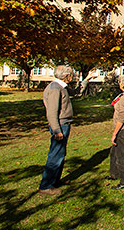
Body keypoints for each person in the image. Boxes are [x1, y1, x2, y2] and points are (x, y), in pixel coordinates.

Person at [39, 65, 94, 196]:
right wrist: (57, 130)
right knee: (55, 155)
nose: (73, 77)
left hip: (64, 124)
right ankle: (46, 186)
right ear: (66, 76)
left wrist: (87, 79)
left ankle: (54, 181)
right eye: (72, 75)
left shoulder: (61, 87)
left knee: (60, 154)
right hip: (60, 126)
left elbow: (76, 93)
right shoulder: (54, 89)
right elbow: (51, 113)